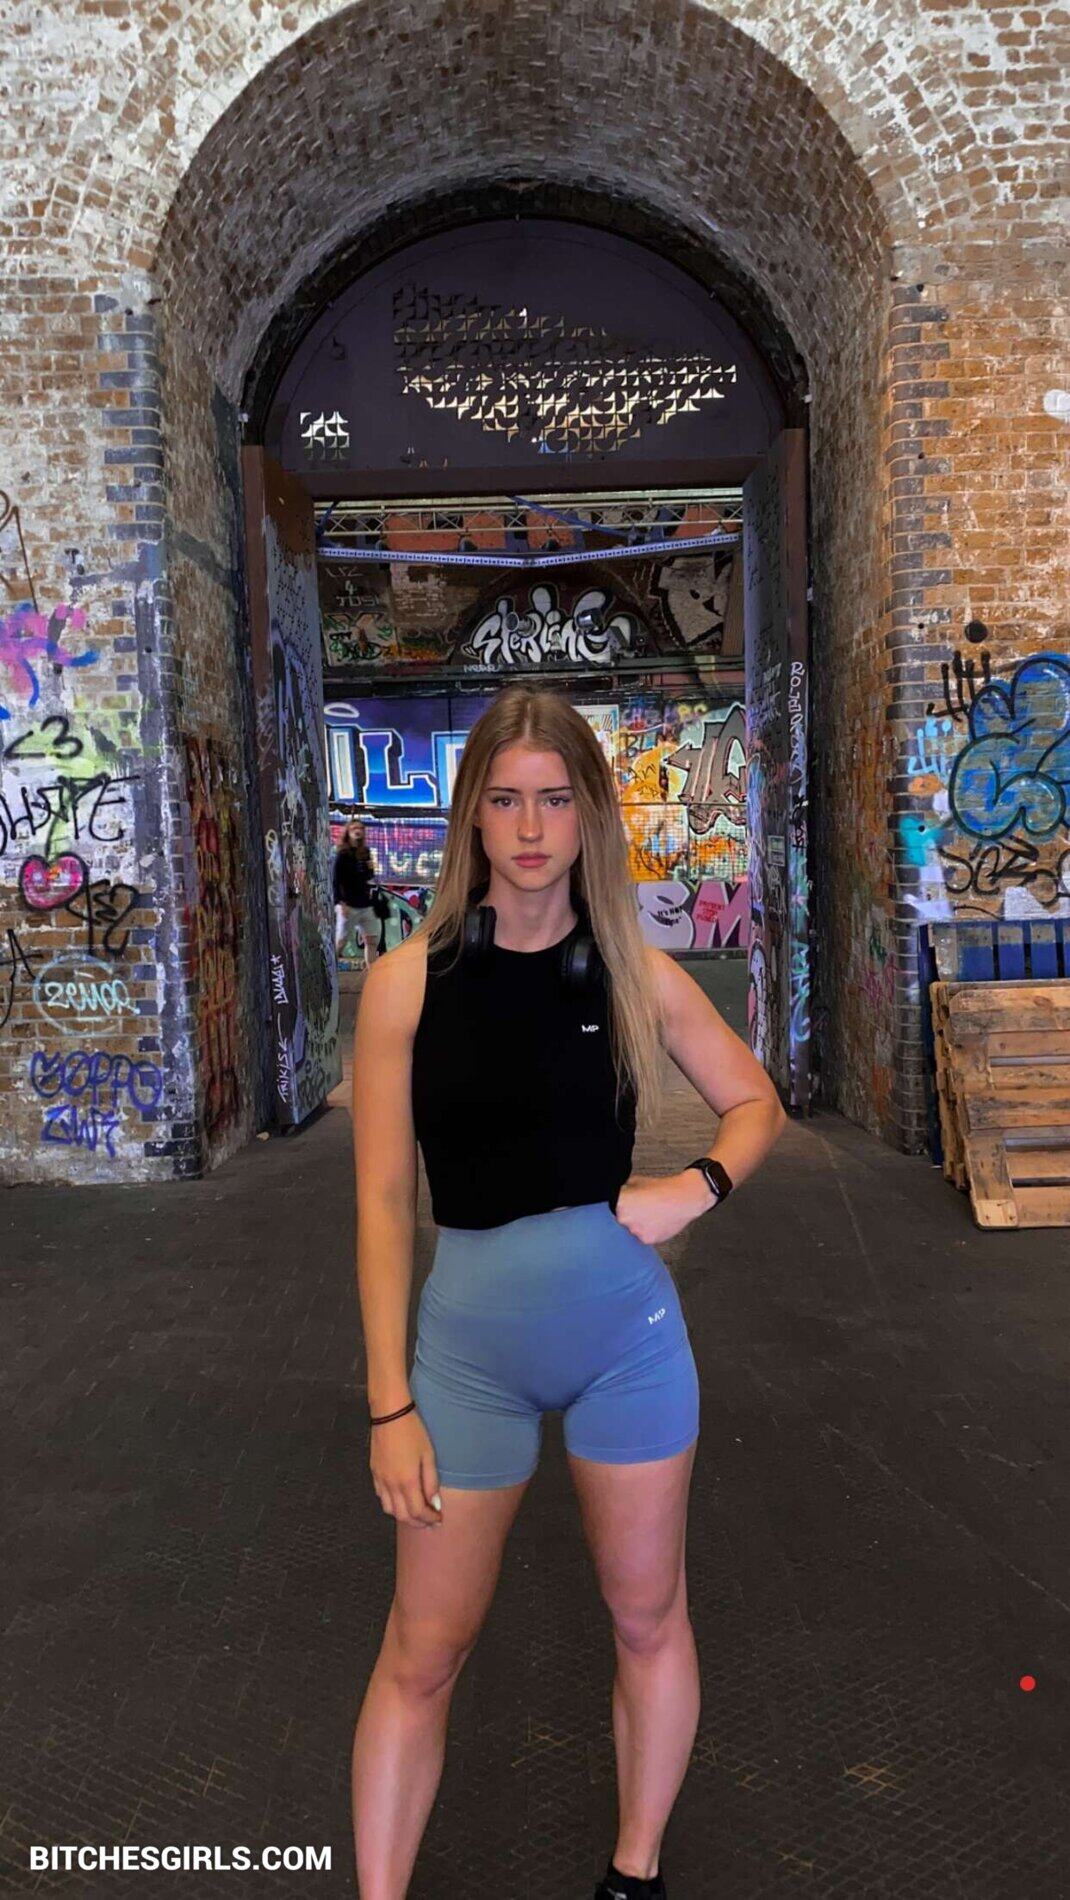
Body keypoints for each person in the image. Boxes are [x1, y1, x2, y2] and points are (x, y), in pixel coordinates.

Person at [350, 685, 786, 1900]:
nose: (530, 827)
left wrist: (692, 1187)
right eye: (504, 799)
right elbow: (382, 1205)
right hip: (464, 1363)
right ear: (472, 818)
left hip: (625, 1345)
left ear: (589, 813)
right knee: (421, 1651)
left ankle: (632, 1874)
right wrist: (389, 1403)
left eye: (553, 798)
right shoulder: (406, 986)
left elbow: (754, 1103)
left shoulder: (636, 975)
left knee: (646, 1618)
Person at [334, 818, 381, 969]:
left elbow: (368, 877)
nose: (358, 831)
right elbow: (336, 880)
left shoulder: (365, 852)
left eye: (361, 828)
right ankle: (328, 972)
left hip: (365, 904)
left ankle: (372, 974)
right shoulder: (342, 854)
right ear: (348, 832)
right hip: (348, 905)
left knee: (371, 940)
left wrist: (370, 868)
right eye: (354, 828)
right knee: (341, 941)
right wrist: (340, 903)